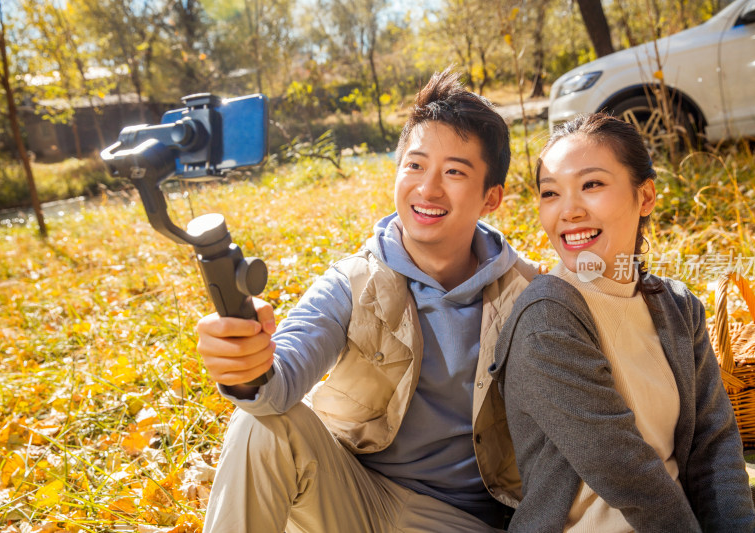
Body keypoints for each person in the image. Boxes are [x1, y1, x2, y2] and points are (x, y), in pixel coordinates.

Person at [195, 69, 540, 532]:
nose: (428, 188)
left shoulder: (529, 296)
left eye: (454, 172)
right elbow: (279, 381)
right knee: (263, 426)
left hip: (457, 521)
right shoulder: (353, 280)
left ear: (491, 197)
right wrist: (247, 367)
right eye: (414, 165)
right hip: (349, 496)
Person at [490, 113, 755, 532]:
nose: (569, 210)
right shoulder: (547, 318)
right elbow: (627, 474)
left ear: (645, 196)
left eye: (591, 184)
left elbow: (714, 442)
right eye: (550, 193)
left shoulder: (678, 306)